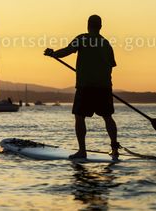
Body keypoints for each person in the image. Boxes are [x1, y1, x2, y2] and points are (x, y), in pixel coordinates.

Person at [44, 15, 121, 160]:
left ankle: (82, 151)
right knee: (107, 117)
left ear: (88, 25)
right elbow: (111, 66)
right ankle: (114, 150)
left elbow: (67, 51)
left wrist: (53, 54)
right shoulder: (106, 44)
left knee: (79, 117)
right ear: (100, 26)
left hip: (85, 87)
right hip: (104, 87)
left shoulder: (82, 39)